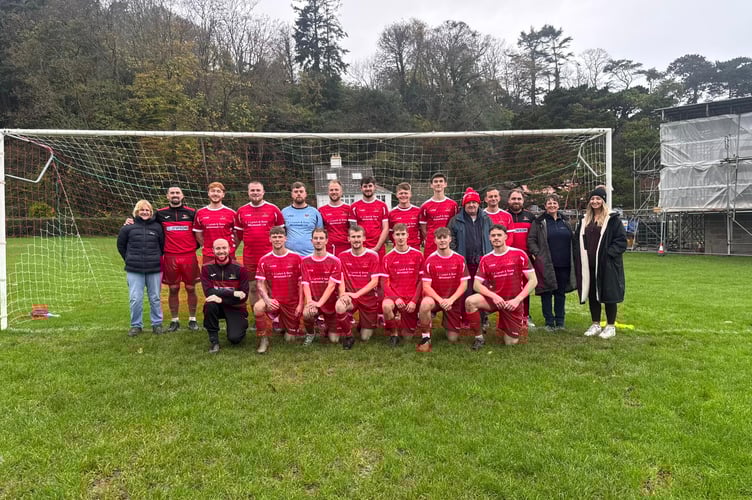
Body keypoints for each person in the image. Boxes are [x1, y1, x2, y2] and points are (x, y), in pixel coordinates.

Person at [125, 186, 199, 332]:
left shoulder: (192, 213)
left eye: (178, 192)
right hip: (170, 257)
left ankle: (192, 319)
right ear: (167, 196)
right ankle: (174, 320)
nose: (175, 195)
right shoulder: (160, 214)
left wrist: (191, 247)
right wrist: (131, 221)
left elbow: (199, 232)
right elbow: (144, 221)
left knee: (190, 287)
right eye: (172, 193)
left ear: (182, 195)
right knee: (173, 288)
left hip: (188, 256)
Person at [465, 224, 537, 349]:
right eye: (493, 235)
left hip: (512, 302)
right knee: (470, 301)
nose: (496, 238)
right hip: (494, 300)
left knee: (510, 343)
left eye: (499, 235)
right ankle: (479, 338)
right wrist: (494, 296)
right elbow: (476, 285)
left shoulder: (519, 254)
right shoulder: (486, 259)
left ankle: (505, 323)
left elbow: (533, 280)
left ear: (506, 237)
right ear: (489, 238)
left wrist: (517, 300)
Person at [573, 186, 627, 339]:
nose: (595, 201)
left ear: (603, 201)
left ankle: (610, 326)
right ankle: (595, 323)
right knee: (592, 294)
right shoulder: (585, 220)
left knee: (608, 293)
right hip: (588, 264)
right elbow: (577, 240)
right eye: (592, 199)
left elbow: (621, 241)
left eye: (598, 199)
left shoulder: (612, 220)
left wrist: (608, 255)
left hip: (606, 265)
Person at [528, 194, 576, 330]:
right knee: (547, 293)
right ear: (545, 206)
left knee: (560, 293)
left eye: (554, 203)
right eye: (549, 203)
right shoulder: (539, 222)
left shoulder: (565, 221)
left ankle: (560, 321)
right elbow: (531, 240)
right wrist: (538, 255)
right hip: (547, 264)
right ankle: (549, 321)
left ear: (558, 205)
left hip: (564, 264)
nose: (552, 205)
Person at [234, 181, 285, 310]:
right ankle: (257, 315)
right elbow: (239, 235)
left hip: (269, 256)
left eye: (258, 190)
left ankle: (273, 315)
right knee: (252, 287)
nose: (255, 193)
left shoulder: (274, 209)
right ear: (248, 192)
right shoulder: (241, 211)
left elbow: (281, 233)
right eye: (252, 190)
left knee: (271, 286)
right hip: (250, 256)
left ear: (263, 192)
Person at [417, 227, 469, 352]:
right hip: (436, 299)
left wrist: (450, 300)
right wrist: (441, 300)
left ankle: (447, 320)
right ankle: (425, 337)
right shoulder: (430, 260)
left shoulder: (459, 259)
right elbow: (426, 286)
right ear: (434, 241)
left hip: (452, 301)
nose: (442, 240)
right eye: (439, 238)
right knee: (425, 304)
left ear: (450, 239)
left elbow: (464, 284)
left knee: (452, 339)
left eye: (444, 237)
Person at [117, 200, 165, 336]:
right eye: (142, 210)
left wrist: (154, 257)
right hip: (134, 269)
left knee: (155, 297)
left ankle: (157, 324)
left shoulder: (157, 227)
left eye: (147, 210)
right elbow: (121, 246)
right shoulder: (127, 228)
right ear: (136, 212)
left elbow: (162, 246)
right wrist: (129, 258)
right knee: (135, 298)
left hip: (154, 268)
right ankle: (136, 325)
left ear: (151, 212)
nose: (145, 212)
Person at [253, 226, 304, 354]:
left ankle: (284, 325)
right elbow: (260, 283)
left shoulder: (296, 258)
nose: (277, 239)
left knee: (289, 339)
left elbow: (302, 283)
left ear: (285, 238)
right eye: (274, 237)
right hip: (273, 300)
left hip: (291, 302)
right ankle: (263, 339)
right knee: (258, 307)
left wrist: (300, 304)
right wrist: (266, 299)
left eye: (280, 237)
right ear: (270, 239)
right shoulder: (264, 260)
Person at [448, 187, 493, 329]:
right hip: (464, 262)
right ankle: (465, 318)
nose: (472, 205)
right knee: (464, 291)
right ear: (464, 204)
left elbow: (492, 237)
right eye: (469, 203)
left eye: (474, 202)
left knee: (482, 290)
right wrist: (456, 256)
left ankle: (482, 318)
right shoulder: (456, 220)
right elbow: (451, 239)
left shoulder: (486, 219)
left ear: (479, 204)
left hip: (482, 262)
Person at [201, 238, 250, 353]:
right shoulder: (206, 268)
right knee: (210, 304)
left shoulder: (240, 268)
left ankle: (242, 323)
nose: (221, 251)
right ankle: (214, 342)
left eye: (224, 248)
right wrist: (232, 293)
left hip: (235, 307)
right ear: (213, 250)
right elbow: (208, 292)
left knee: (235, 339)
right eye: (218, 248)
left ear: (229, 249)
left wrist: (220, 298)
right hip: (218, 306)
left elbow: (244, 296)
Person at [301, 228, 347, 346]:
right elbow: (305, 283)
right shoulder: (305, 261)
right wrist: (310, 301)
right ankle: (311, 333)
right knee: (306, 314)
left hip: (330, 304)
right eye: (315, 238)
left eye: (321, 238)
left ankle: (328, 326)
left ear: (326, 241)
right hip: (315, 302)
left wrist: (319, 303)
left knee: (334, 340)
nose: (318, 241)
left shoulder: (335, 261)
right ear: (311, 241)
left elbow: (332, 286)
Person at [336, 225, 381, 346]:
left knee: (365, 337)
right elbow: (340, 278)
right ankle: (348, 336)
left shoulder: (373, 255)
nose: (356, 239)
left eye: (358, 237)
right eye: (353, 237)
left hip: (368, 299)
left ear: (364, 238)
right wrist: (342, 294)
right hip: (351, 297)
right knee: (339, 306)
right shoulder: (342, 256)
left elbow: (375, 282)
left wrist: (357, 294)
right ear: (348, 239)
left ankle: (363, 323)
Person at [382, 223, 424, 346]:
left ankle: (411, 321)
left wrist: (414, 301)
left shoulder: (418, 255)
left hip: (412, 298)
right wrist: (395, 298)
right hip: (395, 297)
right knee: (386, 306)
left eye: (403, 234)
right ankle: (393, 334)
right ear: (393, 237)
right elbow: (384, 283)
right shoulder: (387, 257)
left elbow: (422, 281)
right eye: (398, 235)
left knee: (408, 338)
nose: (400, 237)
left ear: (408, 236)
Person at [505, 188, 536, 327]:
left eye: (519, 199)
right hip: (507, 258)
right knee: (508, 288)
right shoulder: (505, 216)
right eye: (513, 199)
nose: (516, 201)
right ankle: (507, 315)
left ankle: (525, 315)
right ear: (508, 200)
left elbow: (535, 237)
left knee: (525, 288)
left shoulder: (530, 217)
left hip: (526, 259)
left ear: (523, 201)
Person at [193, 182, 238, 265]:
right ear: (208, 193)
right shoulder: (200, 213)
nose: (215, 194)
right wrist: (206, 246)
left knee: (230, 277)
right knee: (209, 277)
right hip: (209, 254)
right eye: (213, 191)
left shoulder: (231, 213)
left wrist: (230, 248)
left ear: (223, 194)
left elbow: (237, 234)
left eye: (218, 191)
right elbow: (198, 234)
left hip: (227, 254)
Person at [348, 176, 389, 259]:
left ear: (375, 187)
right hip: (361, 248)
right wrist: (360, 247)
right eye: (365, 186)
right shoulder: (354, 207)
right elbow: (353, 231)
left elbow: (386, 228)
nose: (368, 189)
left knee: (378, 272)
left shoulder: (382, 206)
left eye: (370, 186)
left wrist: (377, 247)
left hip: (378, 248)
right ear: (361, 188)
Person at [420, 172, 458, 256]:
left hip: (447, 243)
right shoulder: (425, 206)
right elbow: (423, 229)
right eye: (435, 181)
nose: (438, 184)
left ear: (445, 184)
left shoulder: (453, 205)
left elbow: (455, 225)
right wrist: (430, 239)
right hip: (431, 244)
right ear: (431, 185)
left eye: (441, 181)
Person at [282, 182, 323, 257]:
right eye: (296, 192)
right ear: (291, 194)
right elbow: (281, 234)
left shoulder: (314, 212)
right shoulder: (284, 212)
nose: (298, 194)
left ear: (306, 194)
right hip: (290, 256)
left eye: (301, 191)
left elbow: (320, 234)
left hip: (310, 255)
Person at [319, 179, 351, 256]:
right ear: (328, 192)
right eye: (331, 190)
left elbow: (353, 229)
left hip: (347, 248)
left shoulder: (349, 208)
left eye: (336, 190)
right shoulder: (321, 210)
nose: (334, 192)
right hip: (329, 249)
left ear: (341, 192)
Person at [388, 182, 422, 251]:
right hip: (398, 249)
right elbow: (390, 233)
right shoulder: (391, 213)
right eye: (401, 193)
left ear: (410, 194)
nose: (403, 195)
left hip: (414, 249)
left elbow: (422, 231)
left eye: (406, 193)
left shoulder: (418, 211)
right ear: (397, 195)